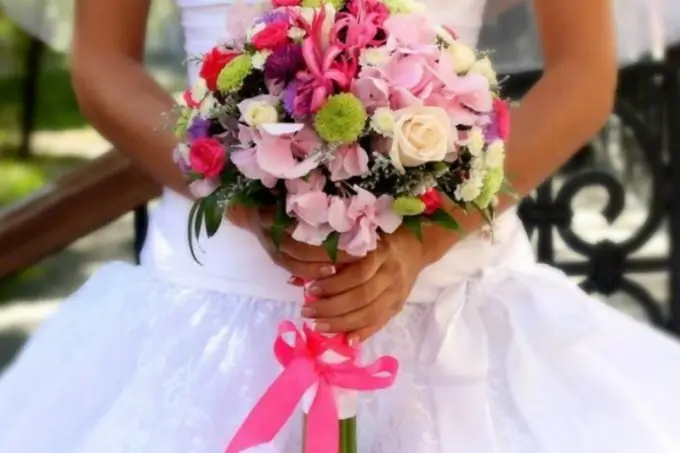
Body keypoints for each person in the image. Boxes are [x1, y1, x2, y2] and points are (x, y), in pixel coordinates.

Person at [1, 0, 680, 451]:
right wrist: (242, 198)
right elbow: (101, 61)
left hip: (459, 307)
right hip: (207, 310)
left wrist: (423, 240)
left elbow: (583, 72)